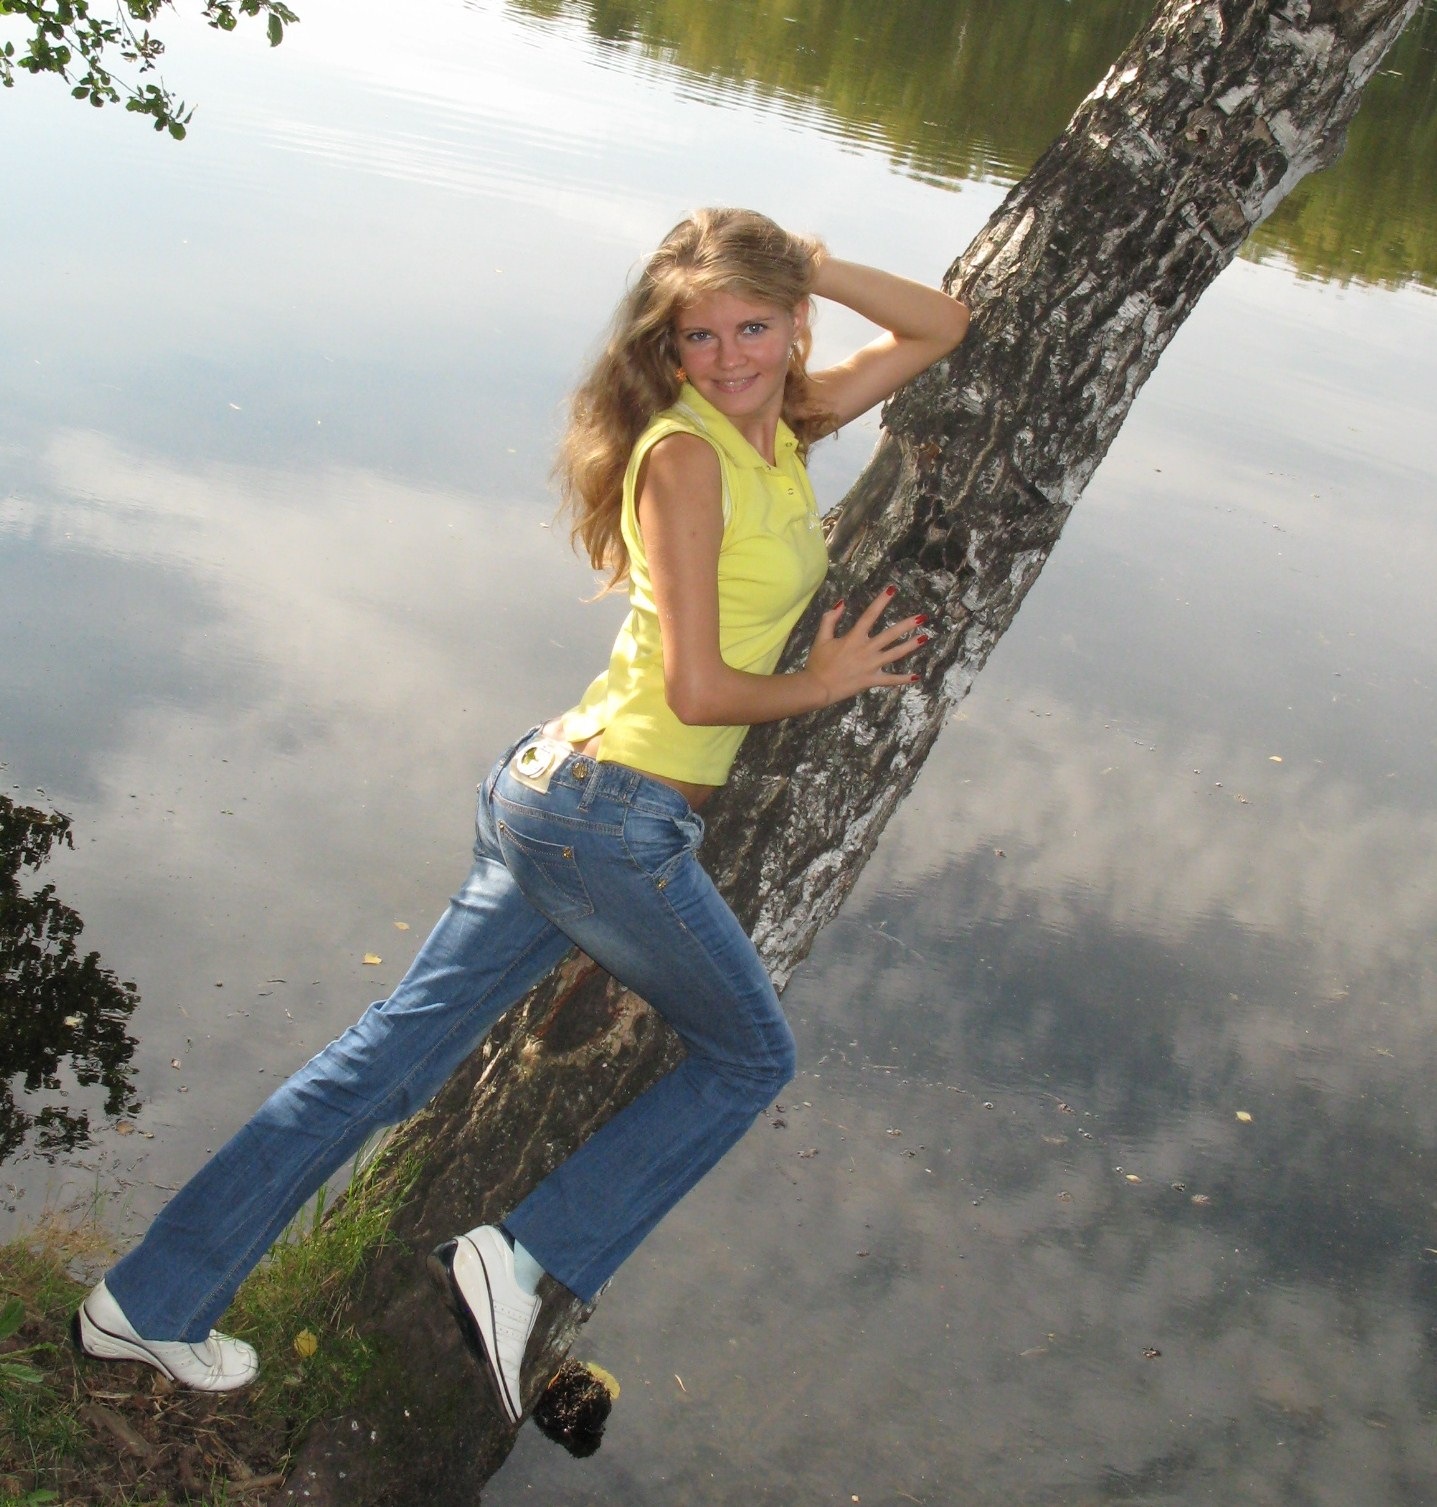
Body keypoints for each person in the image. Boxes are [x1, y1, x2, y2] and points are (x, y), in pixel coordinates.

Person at [72, 208, 970, 1422]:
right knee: (751, 1056)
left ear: (793, 323)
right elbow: (700, 690)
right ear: (668, 347)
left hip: (561, 801)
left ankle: (147, 1299)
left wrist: (810, 262)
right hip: (609, 816)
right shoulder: (688, 457)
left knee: (382, 1067)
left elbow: (942, 325)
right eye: (699, 336)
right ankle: (523, 1254)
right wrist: (825, 681)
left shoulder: (783, 426)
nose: (728, 357)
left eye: (754, 327)